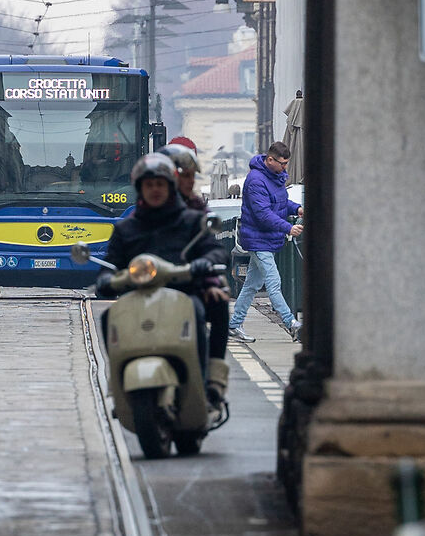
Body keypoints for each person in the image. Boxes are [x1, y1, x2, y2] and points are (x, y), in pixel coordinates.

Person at [97, 152, 225, 397]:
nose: (154, 190)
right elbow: (110, 266)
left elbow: (215, 251)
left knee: (198, 313)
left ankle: (205, 381)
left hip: (182, 296)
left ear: (170, 187)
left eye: (160, 184)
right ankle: (117, 375)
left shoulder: (192, 220)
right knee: (108, 318)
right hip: (138, 299)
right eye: (149, 185)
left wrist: (204, 262)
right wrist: (105, 281)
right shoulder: (126, 228)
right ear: (140, 188)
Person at [165, 140, 231, 402]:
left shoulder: (197, 209)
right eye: (186, 177)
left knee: (216, 308)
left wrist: (210, 274)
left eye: (193, 177)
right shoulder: (147, 210)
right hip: (153, 285)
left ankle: (212, 378)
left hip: (191, 283)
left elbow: (211, 246)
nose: (191, 183)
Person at [231, 141, 302, 342]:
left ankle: (234, 325)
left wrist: (296, 208)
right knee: (274, 282)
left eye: (287, 163)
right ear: (270, 160)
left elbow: (280, 202)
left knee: (251, 285)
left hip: (264, 239)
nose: (285, 167)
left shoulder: (274, 176)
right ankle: (291, 324)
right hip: (258, 240)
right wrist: (288, 227)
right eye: (282, 163)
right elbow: (263, 214)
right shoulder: (256, 181)